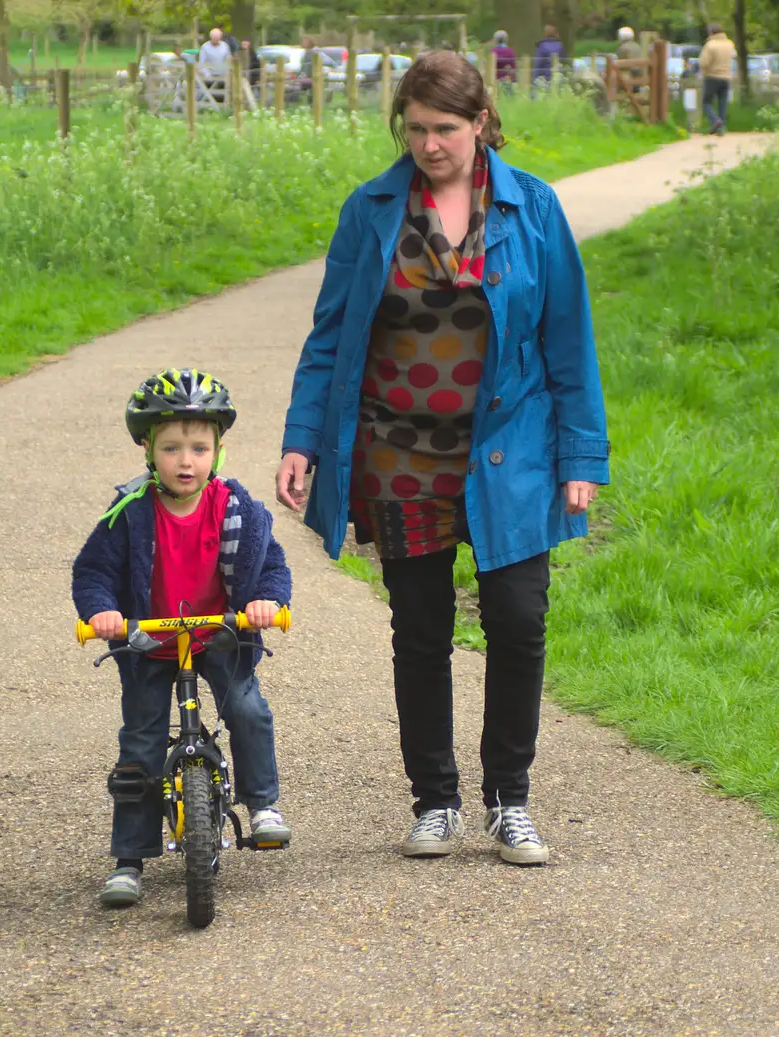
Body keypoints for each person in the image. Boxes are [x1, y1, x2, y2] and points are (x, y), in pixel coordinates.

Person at [275, 51, 609, 868]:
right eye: (416, 129)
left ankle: (510, 800)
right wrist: (301, 438)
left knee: (519, 620)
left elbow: (569, 338)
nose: (430, 145)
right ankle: (435, 801)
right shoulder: (372, 209)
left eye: (446, 129)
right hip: (399, 449)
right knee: (419, 628)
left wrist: (582, 454)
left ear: (482, 121)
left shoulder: (533, 207)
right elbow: (330, 336)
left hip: (512, 447)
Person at [74, 369, 293, 908]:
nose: (186, 461)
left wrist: (266, 601)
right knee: (142, 746)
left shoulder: (238, 508)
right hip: (149, 642)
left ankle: (262, 804)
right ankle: (130, 857)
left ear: (218, 449)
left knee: (247, 708)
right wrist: (103, 612)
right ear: (147, 449)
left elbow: (271, 566)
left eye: (199, 447)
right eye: (172, 448)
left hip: (219, 636)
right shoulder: (129, 513)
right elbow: (93, 573)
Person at [699, 22, 735, 135]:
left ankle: (715, 120)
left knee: (706, 102)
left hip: (712, 77)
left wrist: (702, 70)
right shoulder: (730, 44)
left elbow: (704, 63)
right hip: (726, 77)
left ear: (711, 32)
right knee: (722, 103)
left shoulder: (710, 45)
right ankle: (722, 129)